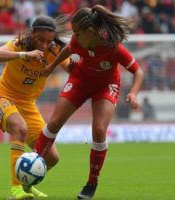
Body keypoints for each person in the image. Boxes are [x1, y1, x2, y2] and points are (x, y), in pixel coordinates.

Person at [33, 5, 144, 199]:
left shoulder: (112, 46)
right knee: (54, 122)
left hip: (106, 85)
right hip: (80, 80)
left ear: (91, 32)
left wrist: (133, 93)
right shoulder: (79, 40)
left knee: (99, 130)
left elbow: (138, 71)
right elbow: (68, 50)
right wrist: (51, 67)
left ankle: (92, 182)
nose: (74, 36)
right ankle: (33, 163)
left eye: (77, 32)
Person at [0, 15, 71, 200]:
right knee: (20, 129)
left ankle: (26, 186)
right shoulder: (19, 44)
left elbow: (72, 69)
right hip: (2, 97)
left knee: (51, 158)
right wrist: (26, 55)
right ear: (32, 33)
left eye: (49, 41)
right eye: (41, 39)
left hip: (28, 105)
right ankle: (15, 190)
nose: (44, 44)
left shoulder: (54, 50)